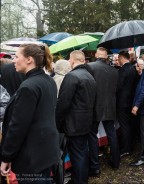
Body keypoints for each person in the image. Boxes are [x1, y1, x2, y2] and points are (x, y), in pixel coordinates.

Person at [0, 44, 60, 183]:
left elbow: (18, 127)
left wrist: (6, 157)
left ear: (29, 60)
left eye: (16, 56)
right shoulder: (48, 80)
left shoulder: (28, 87)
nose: (14, 60)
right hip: (46, 152)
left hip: (32, 158)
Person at [56, 50, 96, 184]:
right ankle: (80, 178)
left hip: (74, 123)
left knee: (77, 154)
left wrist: (57, 122)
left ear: (71, 61)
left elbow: (63, 102)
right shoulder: (90, 76)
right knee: (82, 152)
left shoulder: (72, 76)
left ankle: (80, 180)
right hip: (86, 122)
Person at [88, 47, 120, 172]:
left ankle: (95, 166)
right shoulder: (115, 71)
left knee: (92, 135)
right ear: (106, 56)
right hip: (110, 105)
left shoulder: (90, 67)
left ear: (96, 54)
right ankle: (116, 162)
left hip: (95, 105)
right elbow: (117, 89)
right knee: (111, 134)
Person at [116, 50, 139, 157]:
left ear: (121, 58)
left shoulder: (123, 70)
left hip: (122, 102)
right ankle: (131, 145)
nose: (118, 61)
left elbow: (119, 86)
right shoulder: (133, 69)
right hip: (131, 101)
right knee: (129, 125)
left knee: (124, 126)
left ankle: (126, 148)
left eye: (118, 59)